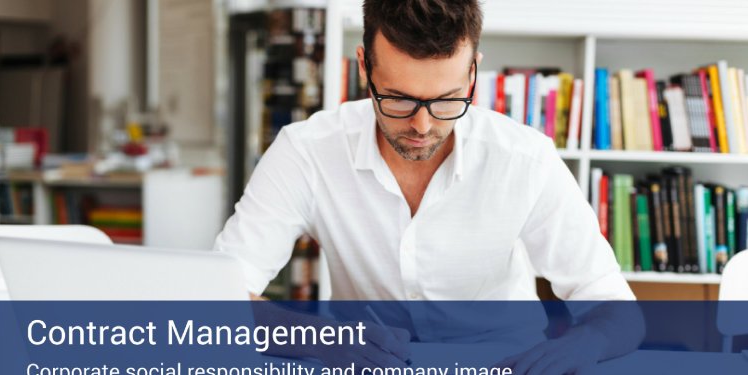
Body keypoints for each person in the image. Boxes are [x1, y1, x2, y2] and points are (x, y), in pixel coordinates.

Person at [215, 0, 643, 373]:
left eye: (446, 99)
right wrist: (321, 339)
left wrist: (583, 344)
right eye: (398, 98)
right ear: (365, 67)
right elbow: (214, 298)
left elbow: (618, 312)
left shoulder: (526, 159)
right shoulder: (306, 152)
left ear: (473, 71)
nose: (423, 126)